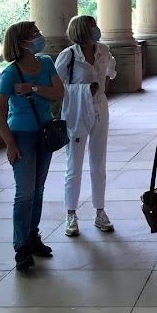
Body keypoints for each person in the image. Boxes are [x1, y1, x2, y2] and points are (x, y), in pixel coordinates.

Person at [0, 21, 64, 271]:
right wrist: (9, 143)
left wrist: (32, 88)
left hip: (45, 133)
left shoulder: (45, 62)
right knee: (25, 192)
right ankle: (21, 245)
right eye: (34, 34)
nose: (39, 37)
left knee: (39, 189)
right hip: (22, 135)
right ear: (21, 42)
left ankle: (33, 236)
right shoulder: (11, 73)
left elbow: (59, 92)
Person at [55, 15, 117, 236]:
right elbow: (57, 87)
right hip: (76, 111)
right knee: (74, 163)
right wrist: (83, 91)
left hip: (100, 109)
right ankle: (71, 214)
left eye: (95, 24)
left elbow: (110, 72)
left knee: (98, 161)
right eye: (91, 26)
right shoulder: (69, 56)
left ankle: (100, 211)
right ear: (81, 30)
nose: (95, 28)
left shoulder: (103, 50)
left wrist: (99, 92)